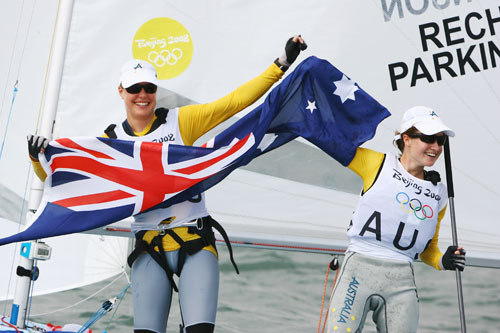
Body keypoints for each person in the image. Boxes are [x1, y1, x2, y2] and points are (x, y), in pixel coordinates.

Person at [28, 35, 307, 333]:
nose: (143, 94)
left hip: (195, 242)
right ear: (121, 91)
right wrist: (37, 158)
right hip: (149, 248)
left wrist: (282, 64)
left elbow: (234, 102)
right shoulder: (110, 144)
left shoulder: (181, 122)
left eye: (149, 87)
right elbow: (68, 189)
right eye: (135, 88)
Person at [326, 106, 466, 333]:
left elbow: (428, 252)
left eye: (441, 141)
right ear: (406, 139)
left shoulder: (438, 194)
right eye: (429, 138)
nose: (436, 147)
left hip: (401, 282)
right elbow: (331, 142)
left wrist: (444, 261)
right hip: (357, 272)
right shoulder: (376, 163)